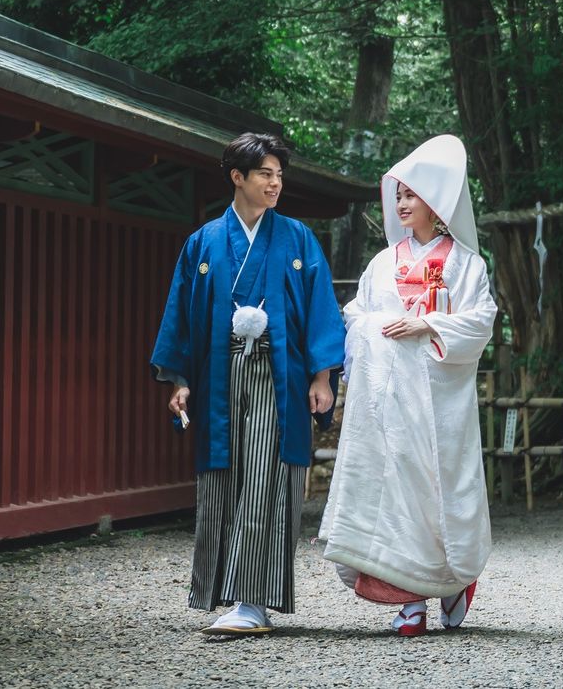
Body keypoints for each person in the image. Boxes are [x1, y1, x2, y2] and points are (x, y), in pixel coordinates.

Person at [150, 132, 345, 635]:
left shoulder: (298, 238)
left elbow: (321, 306)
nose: (276, 183)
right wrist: (181, 380)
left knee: (263, 476)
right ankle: (222, 592)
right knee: (221, 480)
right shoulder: (204, 242)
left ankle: (252, 600)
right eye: (265, 174)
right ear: (238, 177)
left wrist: (322, 375)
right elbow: (183, 317)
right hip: (219, 372)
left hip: (279, 375)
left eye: (280, 175)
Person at [319, 134, 497, 636]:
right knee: (390, 494)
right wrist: (376, 328)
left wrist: (429, 327)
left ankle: (454, 579)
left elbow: (480, 320)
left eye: (410, 195)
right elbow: (356, 315)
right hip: (388, 401)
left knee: (436, 488)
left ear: (435, 203)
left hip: (438, 402)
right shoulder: (382, 263)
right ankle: (409, 600)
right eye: (398, 195)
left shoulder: (466, 263)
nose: (400, 204)